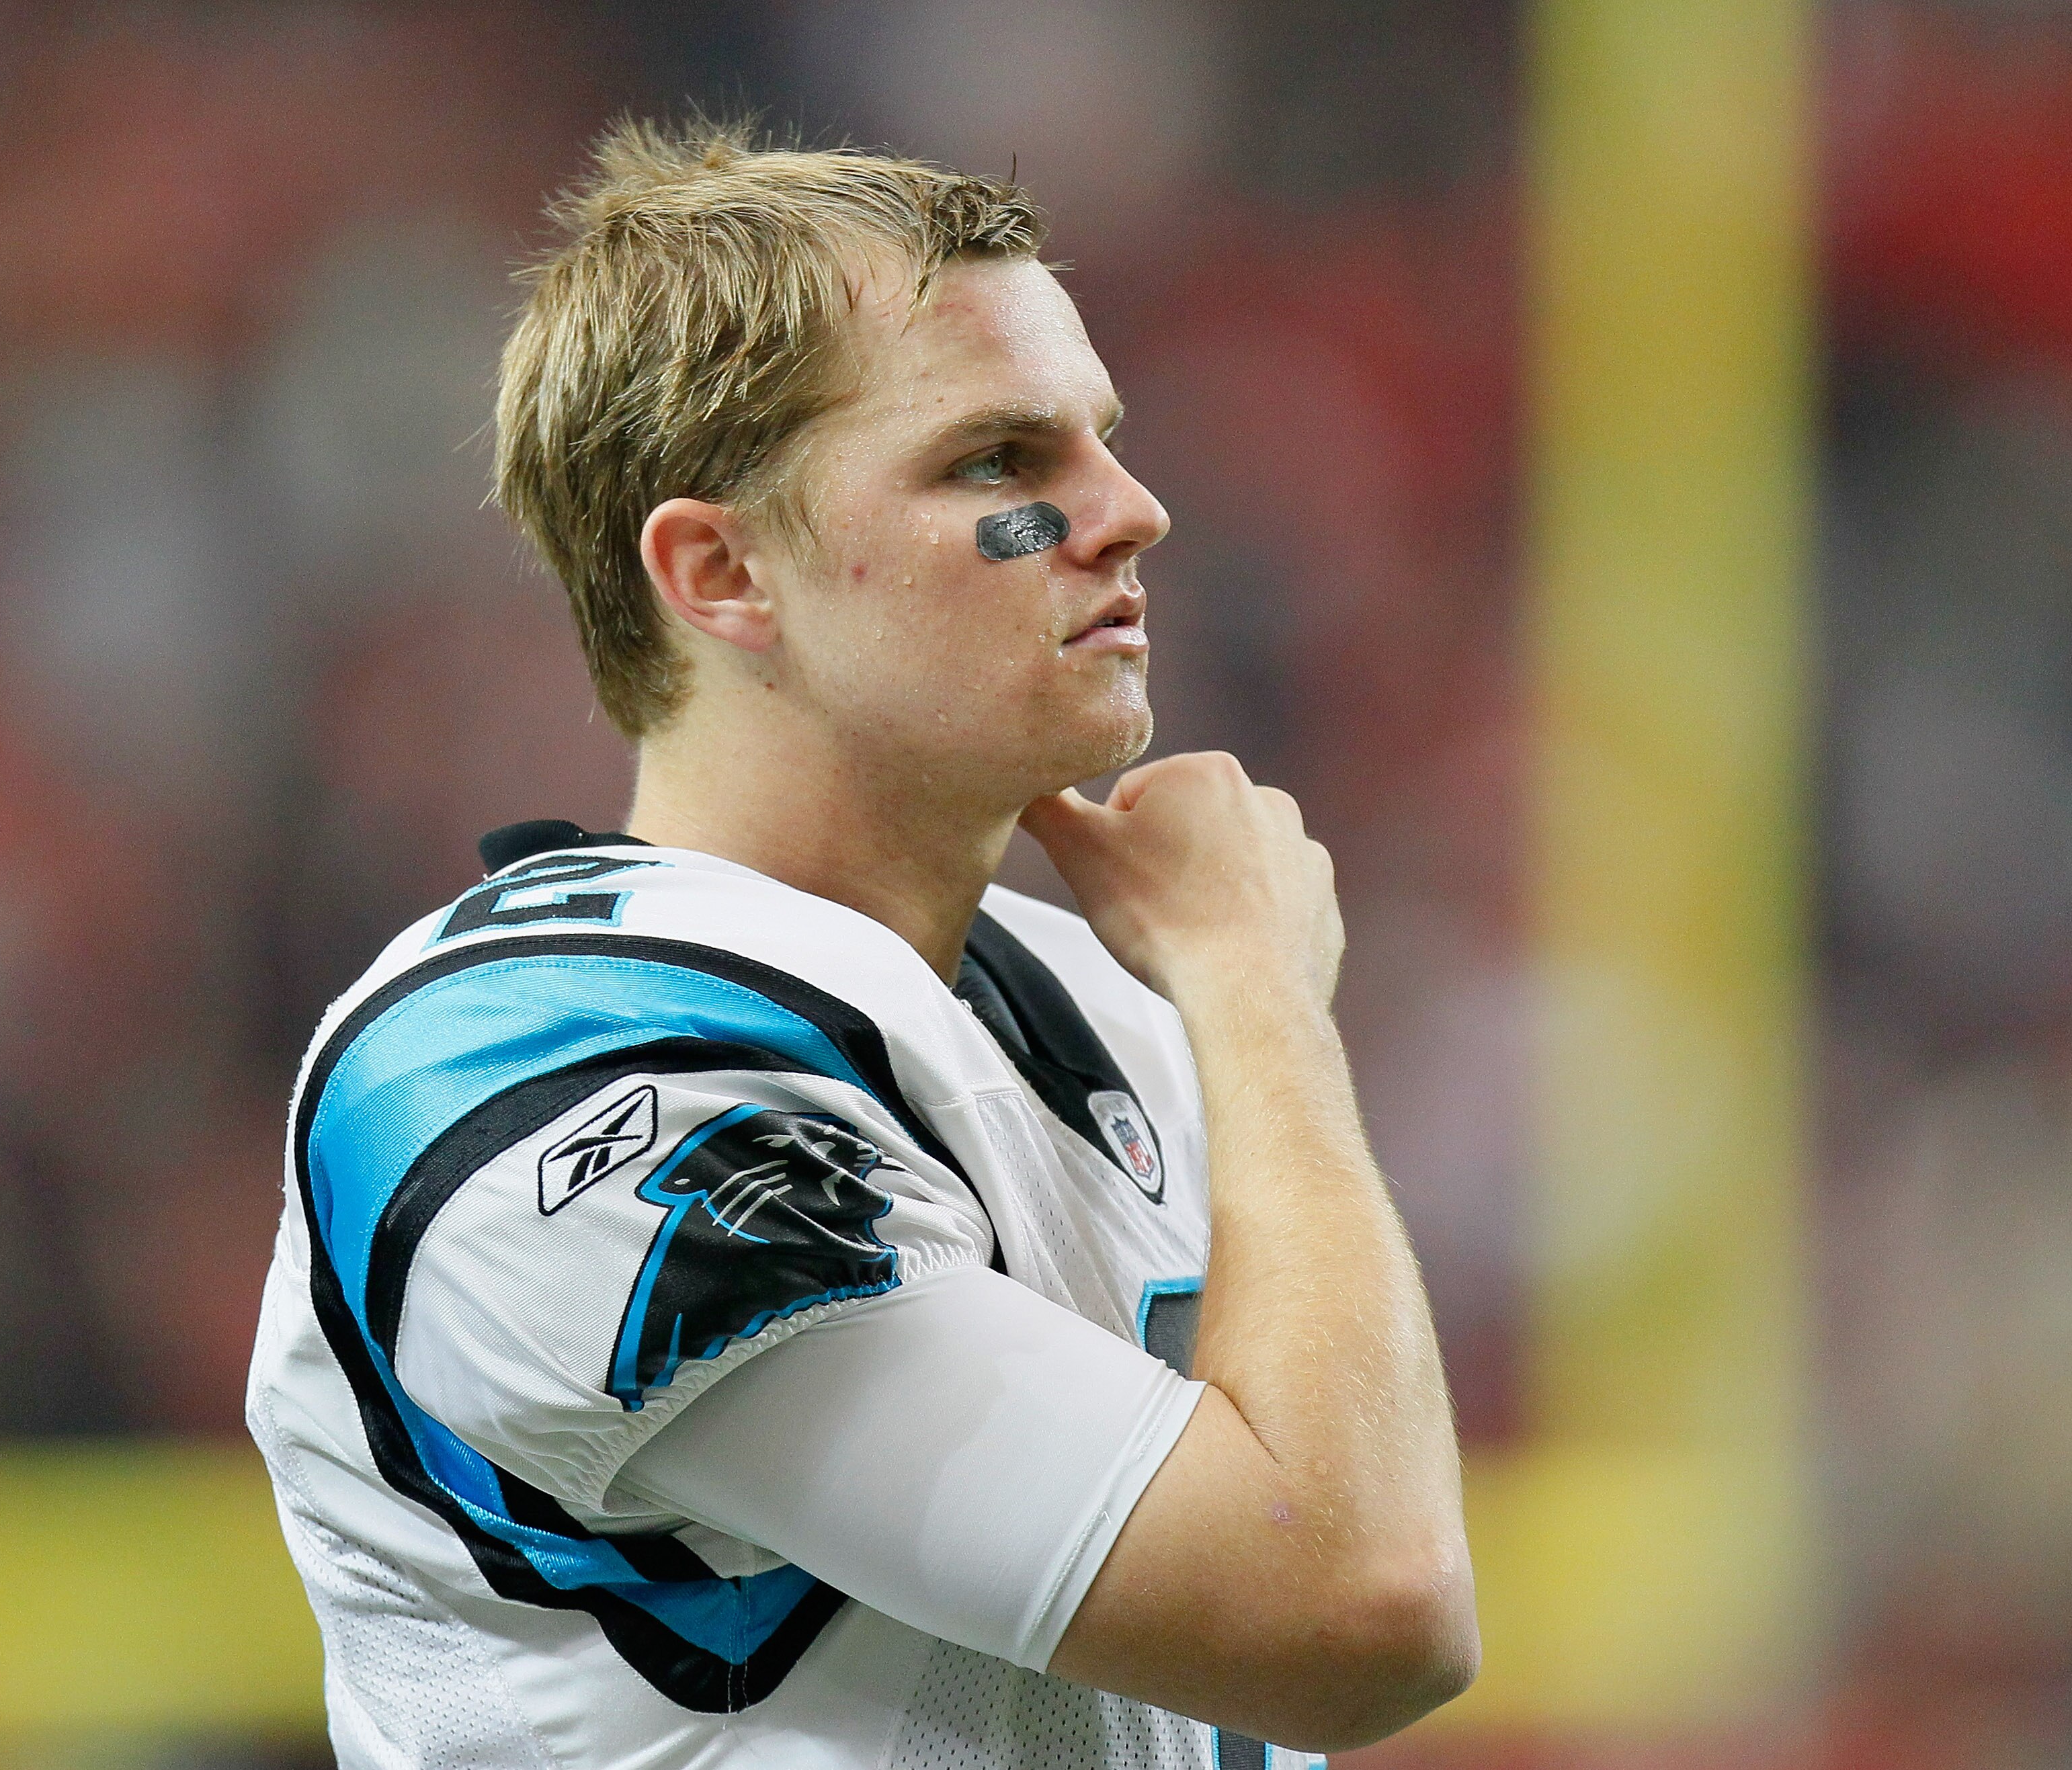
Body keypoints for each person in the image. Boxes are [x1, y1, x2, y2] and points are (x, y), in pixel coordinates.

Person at [246, 118, 1477, 1770]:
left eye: (1100, 440)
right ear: (721, 569)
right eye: (997, 464)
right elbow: (1354, 1613)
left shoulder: (1109, 994)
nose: (1129, 511)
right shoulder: (544, 1072)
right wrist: (1260, 994)